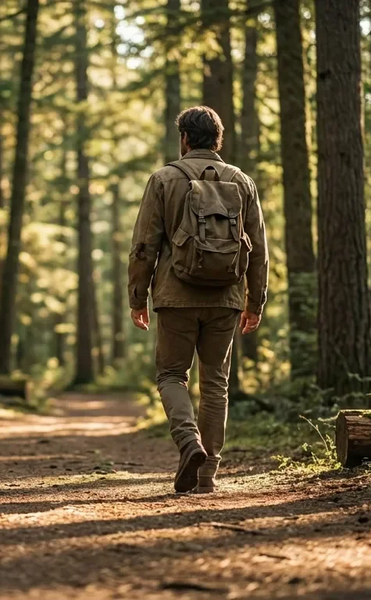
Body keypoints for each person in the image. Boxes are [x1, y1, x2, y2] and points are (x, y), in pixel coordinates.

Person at [127, 106, 269, 494]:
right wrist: (255, 302)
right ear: (217, 139)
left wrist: (137, 297)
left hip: (176, 296)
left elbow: (144, 245)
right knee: (215, 384)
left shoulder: (164, 179)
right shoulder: (242, 182)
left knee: (172, 376)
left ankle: (189, 441)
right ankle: (208, 476)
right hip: (226, 298)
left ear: (185, 138)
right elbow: (258, 250)